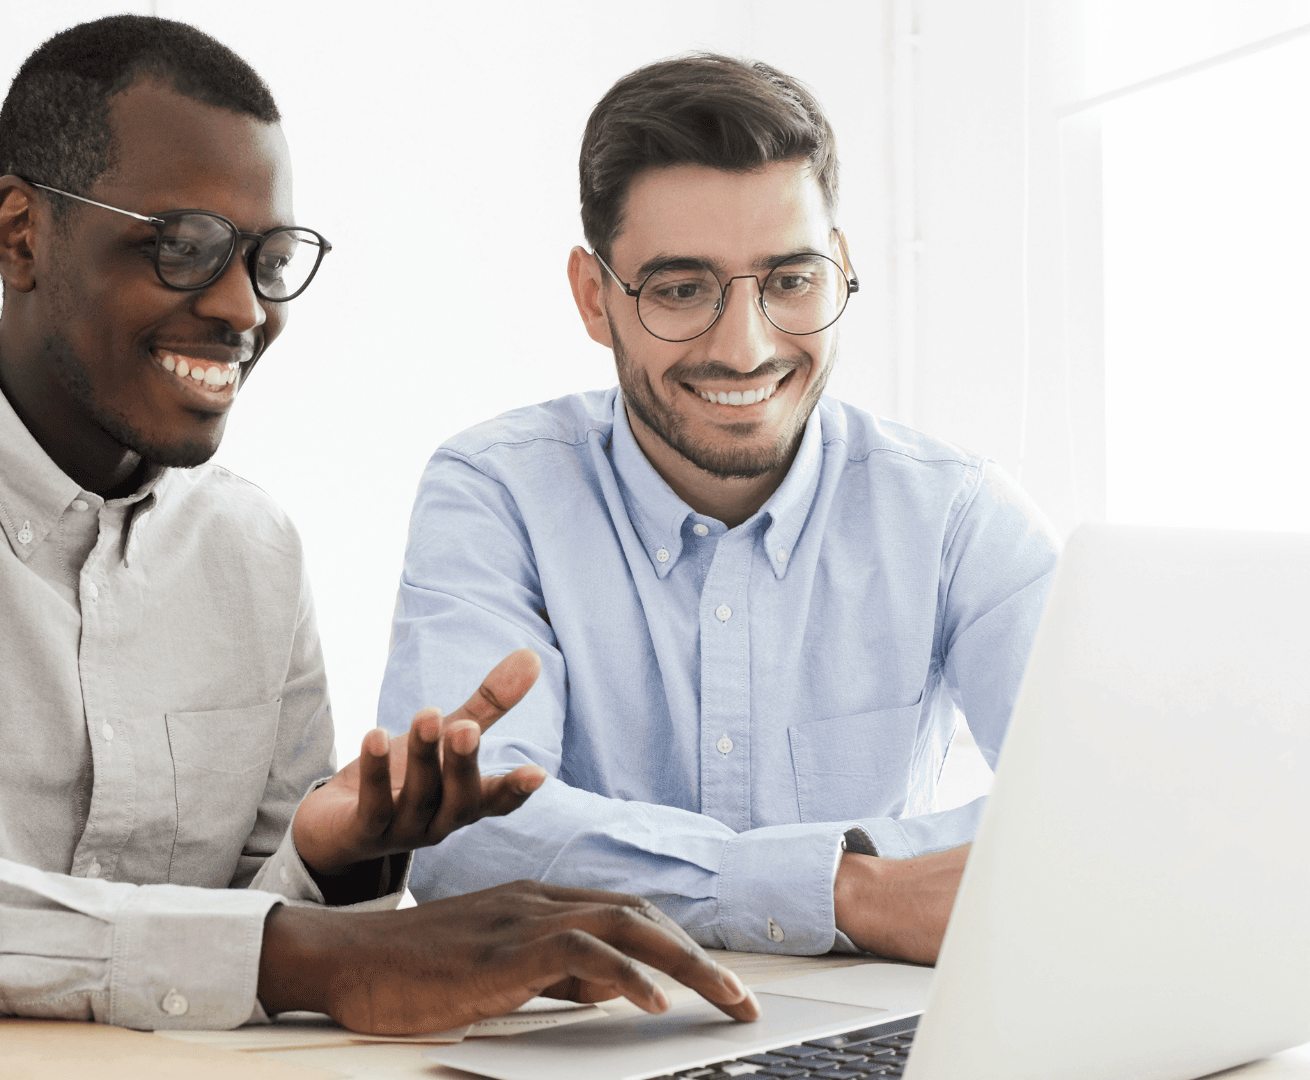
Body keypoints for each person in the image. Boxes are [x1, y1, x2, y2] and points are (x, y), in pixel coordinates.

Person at [0, 17, 757, 1035]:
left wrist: (329, 864)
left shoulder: (252, 552)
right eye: (182, 244)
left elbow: (234, 958)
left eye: (267, 259)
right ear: (21, 236)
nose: (242, 309)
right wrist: (301, 949)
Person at [376, 53, 1059, 965]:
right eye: (681, 289)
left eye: (791, 280)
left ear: (843, 268)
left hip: (877, 1030)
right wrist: (851, 890)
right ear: (594, 298)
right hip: (594, 1041)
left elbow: (1098, 813)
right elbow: (463, 837)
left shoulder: (957, 515)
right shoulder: (497, 494)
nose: (745, 349)